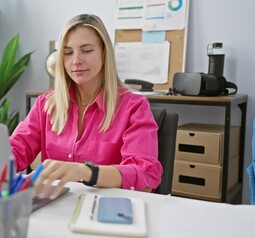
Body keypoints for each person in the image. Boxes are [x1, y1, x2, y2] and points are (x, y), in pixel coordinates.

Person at [10, 14, 162, 198]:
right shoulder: (46, 104)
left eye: (87, 50)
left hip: (106, 209)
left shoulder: (134, 107)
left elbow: (145, 177)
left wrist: (85, 172)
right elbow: (17, 148)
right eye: (67, 53)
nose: (76, 60)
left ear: (104, 53)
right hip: (55, 207)